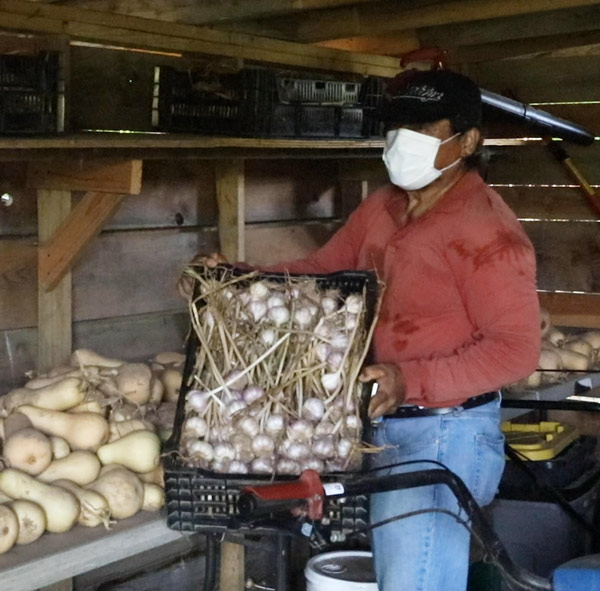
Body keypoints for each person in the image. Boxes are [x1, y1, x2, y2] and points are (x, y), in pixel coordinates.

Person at [178, 69, 540, 591]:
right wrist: (229, 278)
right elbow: (323, 276)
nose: (402, 142)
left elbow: (514, 352)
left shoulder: (489, 232)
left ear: (469, 141)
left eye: (422, 128)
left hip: (443, 432)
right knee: (400, 574)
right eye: (396, 128)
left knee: (416, 582)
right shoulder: (384, 206)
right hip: (380, 425)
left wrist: (406, 380)